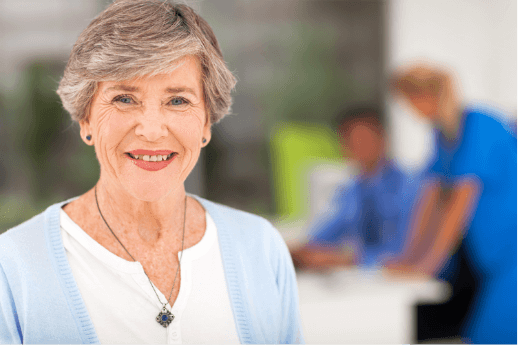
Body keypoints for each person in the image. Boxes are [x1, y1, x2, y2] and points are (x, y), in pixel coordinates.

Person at [0, 1, 304, 344]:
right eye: (125, 99)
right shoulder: (13, 267)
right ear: (85, 118)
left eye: (178, 101)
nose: (152, 130)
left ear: (206, 121)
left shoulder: (261, 249)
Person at [390, 63, 517, 344]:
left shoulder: (480, 125)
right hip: (489, 259)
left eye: (409, 101)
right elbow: (430, 201)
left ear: (424, 96)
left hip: (512, 256)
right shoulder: (442, 134)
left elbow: (457, 206)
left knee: (489, 335)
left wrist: (427, 263)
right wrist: (409, 257)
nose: (410, 110)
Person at [291, 107, 422, 270]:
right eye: (351, 140)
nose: (359, 146)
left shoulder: (411, 187)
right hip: (365, 280)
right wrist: (297, 251)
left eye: (365, 138)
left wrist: (349, 259)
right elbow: (322, 236)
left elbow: (406, 251)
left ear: (383, 139)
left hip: (402, 276)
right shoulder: (351, 192)